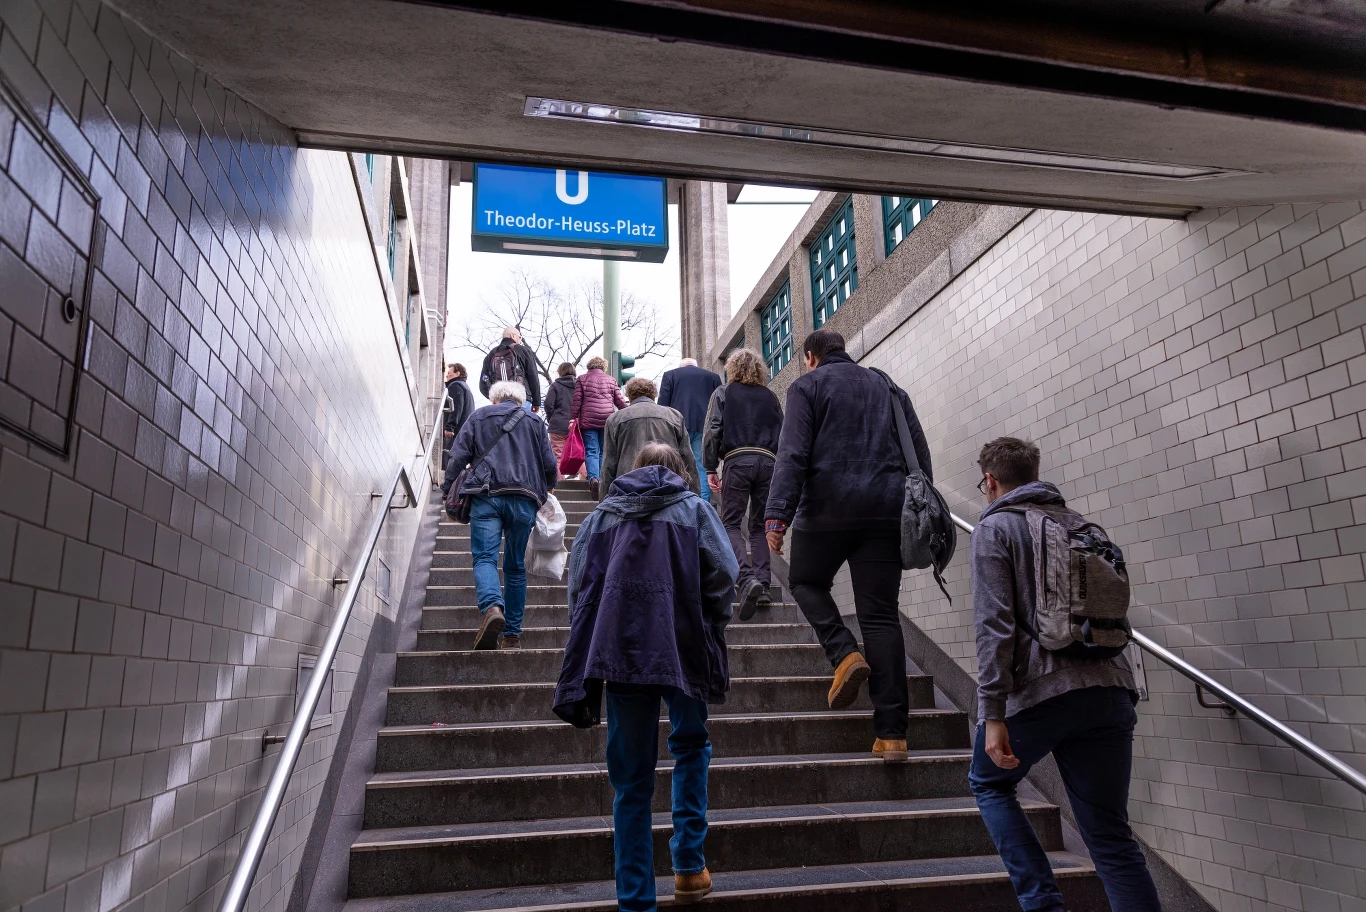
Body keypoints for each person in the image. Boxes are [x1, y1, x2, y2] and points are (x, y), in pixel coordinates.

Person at [969, 437, 1159, 912]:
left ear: (991, 481)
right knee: (1111, 837)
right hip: (1111, 688)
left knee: (990, 783)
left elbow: (994, 626)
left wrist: (991, 712)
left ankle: (1043, 905)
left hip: (1041, 691)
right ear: (1034, 474)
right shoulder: (1080, 524)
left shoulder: (995, 529)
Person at [553, 443, 739, 912]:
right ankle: (689, 867)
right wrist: (708, 618)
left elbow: (578, 588)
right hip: (685, 649)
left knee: (631, 782)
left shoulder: (600, 518)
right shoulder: (695, 511)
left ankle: (636, 900)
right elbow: (725, 574)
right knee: (692, 746)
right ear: (679, 473)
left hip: (621, 652)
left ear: (633, 472)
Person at [764, 329, 932, 762]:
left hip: (828, 509)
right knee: (880, 617)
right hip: (885, 511)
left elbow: (793, 454)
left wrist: (777, 516)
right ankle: (893, 736)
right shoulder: (886, 384)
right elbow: (918, 452)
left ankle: (843, 653)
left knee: (804, 580)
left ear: (810, 357)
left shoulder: (807, 386)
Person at [443, 381, 559, 650]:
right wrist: (548, 485)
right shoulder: (533, 421)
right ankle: (512, 635)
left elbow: (458, 456)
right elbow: (549, 465)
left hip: (487, 496)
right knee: (516, 566)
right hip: (524, 499)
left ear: (494, 400)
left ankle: (493, 607)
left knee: (485, 557)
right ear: (521, 402)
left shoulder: (480, 416)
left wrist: (448, 491)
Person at [702, 348, 783, 621]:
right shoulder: (771, 397)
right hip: (769, 463)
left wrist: (710, 467)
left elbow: (713, 430)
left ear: (732, 369)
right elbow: (783, 434)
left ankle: (747, 578)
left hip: (738, 460)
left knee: (731, 523)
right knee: (759, 525)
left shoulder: (724, 393)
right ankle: (764, 584)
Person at [601, 377, 699, 500]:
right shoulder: (674, 416)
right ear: (654, 395)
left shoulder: (615, 419)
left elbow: (608, 465)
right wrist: (695, 496)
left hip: (628, 488)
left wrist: (603, 502)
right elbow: (688, 460)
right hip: (669, 487)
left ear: (629, 396)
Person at [659, 358, 722, 504]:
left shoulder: (670, 375)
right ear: (696, 366)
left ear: (681, 366)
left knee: (677, 464)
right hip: (704, 427)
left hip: (677, 427)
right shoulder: (713, 377)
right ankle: (702, 504)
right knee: (702, 466)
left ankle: (679, 503)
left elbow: (663, 406)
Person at [570, 356, 628, 499]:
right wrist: (628, 412)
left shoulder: (582, 379)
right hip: (607, 420)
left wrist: (572, 418)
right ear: (603, 367)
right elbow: (619, 400)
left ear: (589, 366)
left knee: (591, 450)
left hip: (588, 420)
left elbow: (577, 400)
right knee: (604, 451)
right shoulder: (611, 380)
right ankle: (602, 482)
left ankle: (593, 479)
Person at [479, 327, 542, 413]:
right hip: (521, 401)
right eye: (520, 337)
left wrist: (494, 398)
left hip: (498, 403)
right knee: (522, 425)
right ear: (513, 335)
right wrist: (536, 401)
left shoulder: (491, 355)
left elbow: (483, 382)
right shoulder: (523, 350)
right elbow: (533, 377)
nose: (520, 340)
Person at [543, 362, 584, 478]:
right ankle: (589, 481)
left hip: (557, 426)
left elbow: (548, 405)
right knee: (579, 455)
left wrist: (552, 418)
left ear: (560, 372)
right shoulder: (580, 386)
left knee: (558, 456)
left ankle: (560, 485)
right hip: (576, 426)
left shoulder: (555, 386)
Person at [442, 362, 475, 466]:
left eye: (449, 372)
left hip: (456, 432)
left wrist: (450, 426)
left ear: (457, 373)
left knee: (450, 462)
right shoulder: (466, 388)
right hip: (465, 431)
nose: (447, 375)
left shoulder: (456, 385)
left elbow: (456, 407)